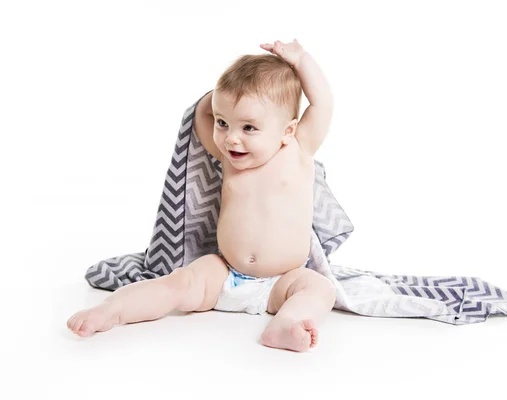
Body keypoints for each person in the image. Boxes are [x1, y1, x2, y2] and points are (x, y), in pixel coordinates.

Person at [67, 39, 336, 352]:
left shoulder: (299, 150)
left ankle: (287, 324)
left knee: (318, 289)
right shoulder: (229, 158)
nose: (232, 138)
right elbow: (202, 115)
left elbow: (322, 104)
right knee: (178, 283)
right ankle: (111, 311)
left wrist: (301, 60)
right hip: (225, 274)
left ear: (288, 131)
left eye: (249, 127)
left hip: (283, 281)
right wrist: (226, 94)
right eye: (224, 123)